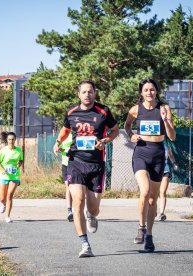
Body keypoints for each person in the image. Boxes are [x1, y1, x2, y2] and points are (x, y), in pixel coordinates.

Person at [53, 80, 119, 258]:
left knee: (94, 208)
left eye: (90, 92)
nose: (87, 95)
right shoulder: (71, 112)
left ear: (95, 93)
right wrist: (58, 142)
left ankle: (91, 215)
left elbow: (115, 130)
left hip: (96, 164)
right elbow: (65, 130)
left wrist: (105, 140)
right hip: (76, 161)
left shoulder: (103, 111)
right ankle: (84, 244)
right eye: (84, 92)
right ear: (79, 94)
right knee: (77, 201)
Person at [124, 78, 176, 252]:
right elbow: (127, 125)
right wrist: (131, 135)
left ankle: (149, 235)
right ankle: (141, 227)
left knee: (153, 200)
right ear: (141, 92)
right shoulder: (135, 109)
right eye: (146, 90)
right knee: (144, 191)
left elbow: (172, 136)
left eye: (152, 90)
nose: (149, 93)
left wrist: (166, 120)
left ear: (157, 91)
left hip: (158, 155)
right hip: (141, 153)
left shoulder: (164, 108)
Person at [0, 132, 23, 223]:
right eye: (9, 139)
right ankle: (3, 203)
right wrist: (2, 170)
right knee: (2, 198)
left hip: (14, 175)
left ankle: (7, 216)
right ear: (7, 140)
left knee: (10, 195)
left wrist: (20, 163)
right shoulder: (3, 150)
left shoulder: (19, 150)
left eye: (13, 139)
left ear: (15, 140)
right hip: (4, 175)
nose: (11, 141)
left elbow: (21, 160)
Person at [155, 143, 178, 222]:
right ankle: (153, 210)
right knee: (153, 193)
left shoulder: (166, 146)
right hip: (154, 171)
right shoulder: (150, 144)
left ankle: (161, 213)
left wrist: (174, 163)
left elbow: (171, 155)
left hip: (165, 170)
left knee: (162, 192)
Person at [60, 132, 74, 222]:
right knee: (68, 186)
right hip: (65, 164)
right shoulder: (63, 135)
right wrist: (59, 149)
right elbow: (59, 147)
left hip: (75, 164)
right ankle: (69, 210)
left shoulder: (78, 134)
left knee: (73, 187)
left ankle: (76, 209)